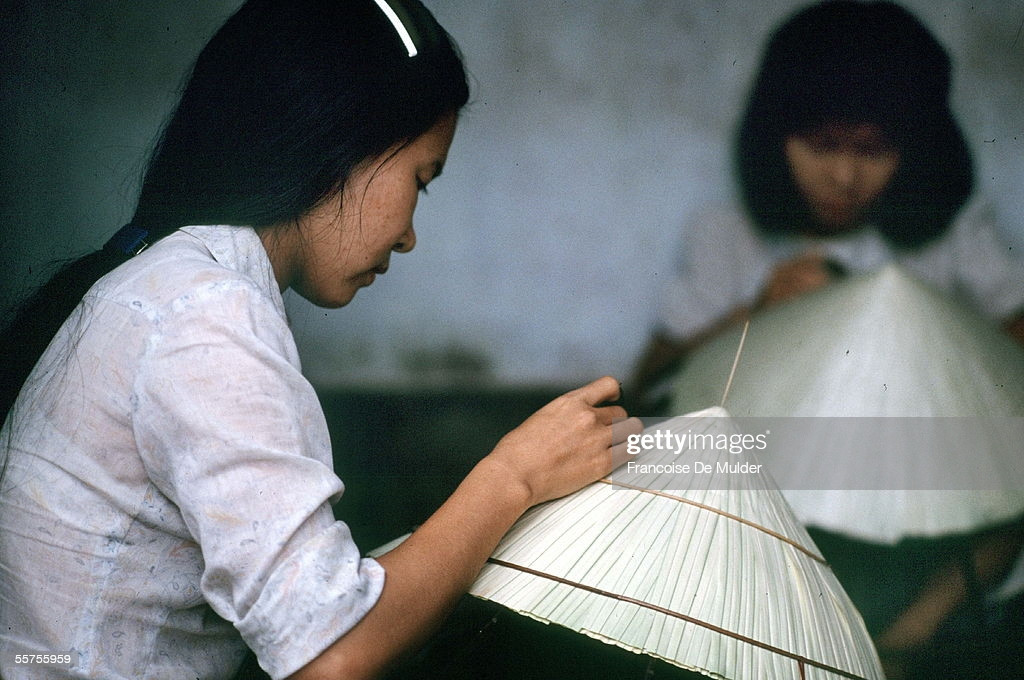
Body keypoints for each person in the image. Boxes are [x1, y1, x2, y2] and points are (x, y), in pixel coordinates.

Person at [0, 2, 641, 679]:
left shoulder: (169, 283)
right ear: (339, 141)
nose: (409, 236)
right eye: (420, 180)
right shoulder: (207, 315)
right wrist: (514, 476)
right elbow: (331, 659)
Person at [630, 0, 1024, 413]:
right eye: (822, 146)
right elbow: (647, 388)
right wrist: (755, 316)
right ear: (775, 139)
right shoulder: (727, 234)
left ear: (915, 150)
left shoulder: (957, 234)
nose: (844, 177)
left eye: (873, 150)